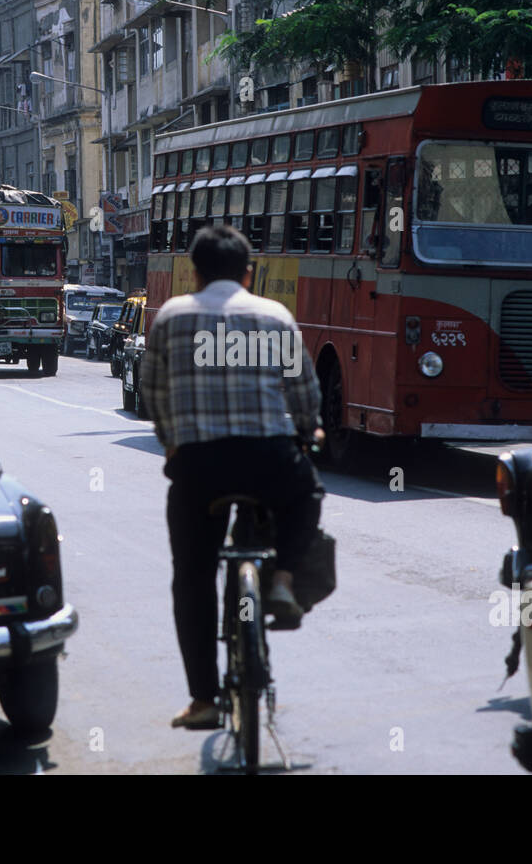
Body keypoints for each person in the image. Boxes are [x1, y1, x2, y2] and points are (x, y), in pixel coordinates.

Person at [141, 224, 326, 730]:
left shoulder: (171, 316)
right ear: (249, 273)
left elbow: (152, 390)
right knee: (305, 492)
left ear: (194, 274)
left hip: (198, 468)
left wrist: (171, 439)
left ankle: (204, 701)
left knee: (192, 579)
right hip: (268, 460)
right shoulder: (275, 316)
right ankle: (284, 578)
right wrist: (309, 432)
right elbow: (304, 392)